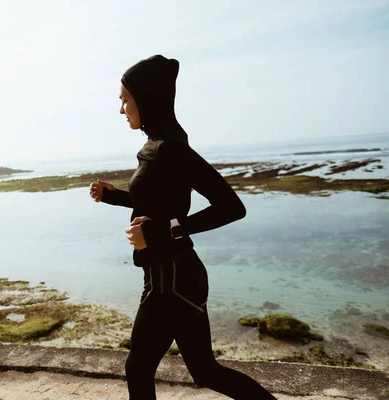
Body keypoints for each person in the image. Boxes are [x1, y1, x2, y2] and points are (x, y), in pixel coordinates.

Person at [89, 55, 277, 400]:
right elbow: (161, 203)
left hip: (172, 281)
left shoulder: (170, 149)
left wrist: (163, 232)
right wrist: (116, 198)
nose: (121, 109)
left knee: (139, 368)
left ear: (145, 99)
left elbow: (232, 207)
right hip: (172, 277)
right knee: (205, 371)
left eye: (124, 99)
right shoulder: (156, 146)